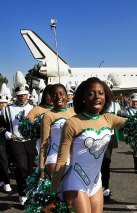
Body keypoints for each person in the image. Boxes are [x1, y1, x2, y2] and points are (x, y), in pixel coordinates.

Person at [45, 77, 125, 212]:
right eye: (91, 93)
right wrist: (53, 194)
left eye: (100, 93)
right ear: (83, 97)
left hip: (96, 182)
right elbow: (61, 161)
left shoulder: (108, 119)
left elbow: (136, 125)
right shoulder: (73, 123)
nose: (96, 97)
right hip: (75, 182)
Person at [0, 71, 36, 205]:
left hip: (30, 142)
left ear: (28, 94)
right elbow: (0, 127)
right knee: (21, 168)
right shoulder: (7, 109)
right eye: (20, 95)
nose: (22, 97)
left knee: (30, 170)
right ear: (16, 95)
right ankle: (22, 193)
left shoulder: (33, 108)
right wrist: (7, 134)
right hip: (16, 143)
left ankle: (29, 192)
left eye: (24, 94)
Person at [39, 84, 75, 178]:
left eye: (61, 94)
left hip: (74, 158)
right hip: (55, 159)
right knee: (58, 191)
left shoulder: (74, 112)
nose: (58, 97)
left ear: (67, 96)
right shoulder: (48, 115)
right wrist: (41, 168)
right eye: (54, 95)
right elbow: (44, 143)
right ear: (51, 98)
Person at [101, 87, 121, 201]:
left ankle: (105, 188)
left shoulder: (115, 105)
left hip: (109, 136)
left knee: (106, 163)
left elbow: (121, 119)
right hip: (93, 138)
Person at [26, 84, 53, 167]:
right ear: (44, 96)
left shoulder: (62, 109)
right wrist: (36, 125)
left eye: (54, 94)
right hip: (42, 142)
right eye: (50, 94)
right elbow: (28, 121)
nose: (52, 97)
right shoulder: (38, 109)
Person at [118, 93, 137, 174]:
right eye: (133, 101)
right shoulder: (127, 110)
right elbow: (123, 119)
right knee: (136, 149)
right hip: (133, 133)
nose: (135, 103)